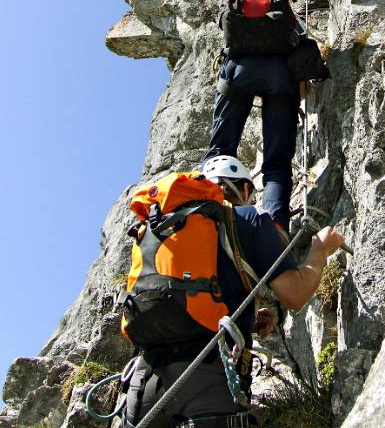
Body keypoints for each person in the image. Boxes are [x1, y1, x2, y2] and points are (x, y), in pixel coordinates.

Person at [125, 156, 344, 428]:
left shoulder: (166, 228)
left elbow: (192, 295)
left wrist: (247, 320)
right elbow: (296, 294)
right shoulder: (247, 218)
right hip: (207, 378)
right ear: (243, 189)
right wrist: (320, 251)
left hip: (144, 381)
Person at [202, 52, 300, 235]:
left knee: (219, 153)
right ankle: (275, 238)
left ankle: (213, 228)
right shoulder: (292, 23)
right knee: (277, 166)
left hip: (237, 68)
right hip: (281, 73)